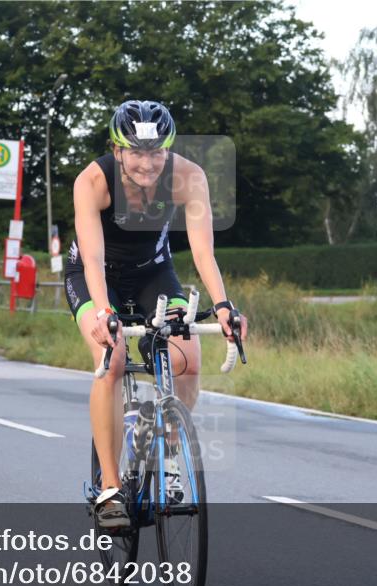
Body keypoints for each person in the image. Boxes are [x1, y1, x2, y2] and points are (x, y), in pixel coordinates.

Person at [65, 100, 248, 527]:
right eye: (136, 152)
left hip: (153, 272)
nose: (147, 163)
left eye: (157, 152)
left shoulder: (189, 177)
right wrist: (105, 314)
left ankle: (164, 448)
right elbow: (92, 259)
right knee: (111, 360)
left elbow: (202, 252)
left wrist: (224, 306)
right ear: (117, 149)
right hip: (96, 276)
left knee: (187, 357)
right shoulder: (93, 181)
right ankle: (110, 490)